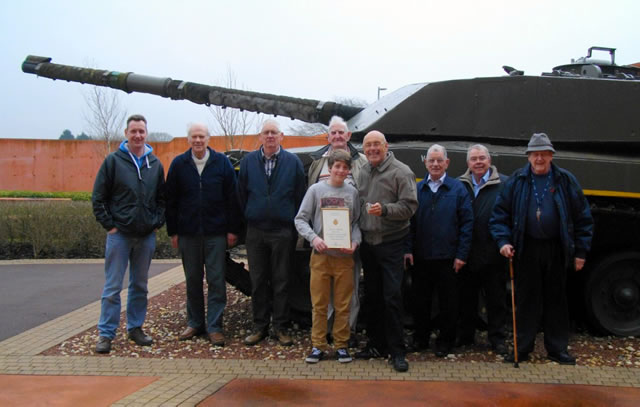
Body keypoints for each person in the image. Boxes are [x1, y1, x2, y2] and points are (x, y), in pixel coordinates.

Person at [490, 133, 593, 365]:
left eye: (544, 154)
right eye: (535, 154)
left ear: (551, 156)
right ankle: (522, 348)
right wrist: (503, 241)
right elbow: (499, 216)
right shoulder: (516, 181)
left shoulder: (566, 180)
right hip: (526, 247)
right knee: (526, 300)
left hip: (556, 248)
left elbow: (583, 218)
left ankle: (557, 349)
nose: (539, 158)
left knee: (556, 299)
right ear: (528, 157)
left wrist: (580, 252)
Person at [92, 114, 165, 354]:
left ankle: (135, 327)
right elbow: (98, 198)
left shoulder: (155, 164)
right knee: (112, 287)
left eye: (141, 131)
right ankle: (106, 333)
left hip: (145, 236)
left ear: (146, 133)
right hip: (120, 235)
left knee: (140, 285)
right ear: (126, 133)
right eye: (133, 131)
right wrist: (110, 226)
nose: (137, 135)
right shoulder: (113, 162)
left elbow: (162, 200)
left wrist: (156, 222)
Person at [165, 123, 240, 347]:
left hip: (216, 233)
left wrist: (232, 230)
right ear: (188, 140)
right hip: (188, 233)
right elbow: (171, 201)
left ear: (208, 139)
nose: (198, 140)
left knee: (216, 280)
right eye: (194, 137)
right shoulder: (179, 164)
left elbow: (232, 198)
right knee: (193, 280)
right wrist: (173, 231)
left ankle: (215, 326)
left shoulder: (222, 163)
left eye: (202, 136)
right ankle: (195, 322)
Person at [237, 119, 305, 347]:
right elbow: (241, 194)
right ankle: (259, 326)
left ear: (281, 136)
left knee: (282, 280)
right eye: (266, 133)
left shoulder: (292, 162)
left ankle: (281, 327)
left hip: (282, 231)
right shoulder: (248, 162)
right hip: (256, 231)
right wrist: (251, 214)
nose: (270, 136)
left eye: (274, 133)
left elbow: (299, 196)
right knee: (257, 281)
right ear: (260, 136)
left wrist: (290, 221)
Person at [354, 130, 418, 372]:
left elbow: (410, 206)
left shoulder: (401, 172)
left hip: (392, 243)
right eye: (368, 145)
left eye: (376, 144)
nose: (371, 149)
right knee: (372, 296)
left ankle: (397, 350)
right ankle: (375, 344)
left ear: (386, 145)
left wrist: (386, 211)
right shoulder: (363, 170)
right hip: (369, 244)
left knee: (392, 297)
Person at [404, 144, 473, 358]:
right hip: (422, 257)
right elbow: (409, 223)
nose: (435, 164)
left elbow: (467, 224)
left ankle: (445, 341)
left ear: (447, 163)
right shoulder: (417, 189)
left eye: (439, 160)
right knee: (420, 302)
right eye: (431, 161)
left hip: (448, 258)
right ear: (425, 163)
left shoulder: (458, 189)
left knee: (448, 304)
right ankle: (420, 339)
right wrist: (408, 249)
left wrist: (462, 254)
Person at [295, 149, 361, 364]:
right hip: (321, 255)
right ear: (330, 167)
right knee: (320, 304)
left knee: (343, 304)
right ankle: (318, 345)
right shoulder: (315, 190)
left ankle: (341, 344)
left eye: (345, 167)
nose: (340, 170)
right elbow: (301, 219)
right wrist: (314, 238)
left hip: (343, 257)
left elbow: (356, 223)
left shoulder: (352, 193)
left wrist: (355, 242)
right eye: (337, 166)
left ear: (349, 170)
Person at [307, 116, 366, 345]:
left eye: (342, 132)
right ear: (328, 136)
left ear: (348, 136)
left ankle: (347, 331)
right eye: (334, 133)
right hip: (322, 241)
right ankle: (327, 332)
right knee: (324, 295)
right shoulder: (317, 164)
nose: (338, 136)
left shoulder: (359, 162)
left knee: (348, 290)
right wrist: (313, 237)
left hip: (347, 240)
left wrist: (356, 238)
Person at [457, 144, 508, 355]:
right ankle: (466, 335)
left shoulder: (504, 184)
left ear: (489, 161)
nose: (478, 162)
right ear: (468, 163)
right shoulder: (460, 185)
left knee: (496, 299)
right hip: (467, 251)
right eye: (474, 159)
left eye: (482, 158)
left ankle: (497, 338)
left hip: (493, 251)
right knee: (466, 298)